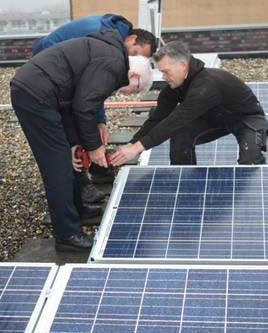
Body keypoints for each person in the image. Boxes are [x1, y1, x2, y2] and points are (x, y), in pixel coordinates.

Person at [10, 30, 153, 252]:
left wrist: (75, 142)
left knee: (70, 158)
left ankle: (79, 210)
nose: (124, 95)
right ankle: (67, 235)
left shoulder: (109, 55)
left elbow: (74, 99)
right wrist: (95, 148)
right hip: (35, 95)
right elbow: (84, 107)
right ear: (133, 76)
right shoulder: (114, 64)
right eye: (132, 90)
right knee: (58, 167)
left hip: (47, 93)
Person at [32, 13, 157, 208]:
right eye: (135, 53)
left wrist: (101, 122)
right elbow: (86, 93)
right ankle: (81, 185)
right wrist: (93, 138)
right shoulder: (101, 35)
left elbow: (92, 91)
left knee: (86, 119)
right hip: (49, 72)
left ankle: (97, 169)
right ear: (132, 39)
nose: (132, 59)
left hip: (66, 74)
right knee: (72, 125)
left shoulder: (113, 36)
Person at [111, 41, 268, 167]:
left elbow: (177, 119)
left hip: (246, 119)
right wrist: (131, 145)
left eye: (166, 71)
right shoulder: (175, 86)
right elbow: (157, 119)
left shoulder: (207, 85)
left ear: (183, 65)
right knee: (181, 133)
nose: (164, 77)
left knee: (250, 162)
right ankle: (183, 179)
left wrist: (137, 148)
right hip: (214, 118)